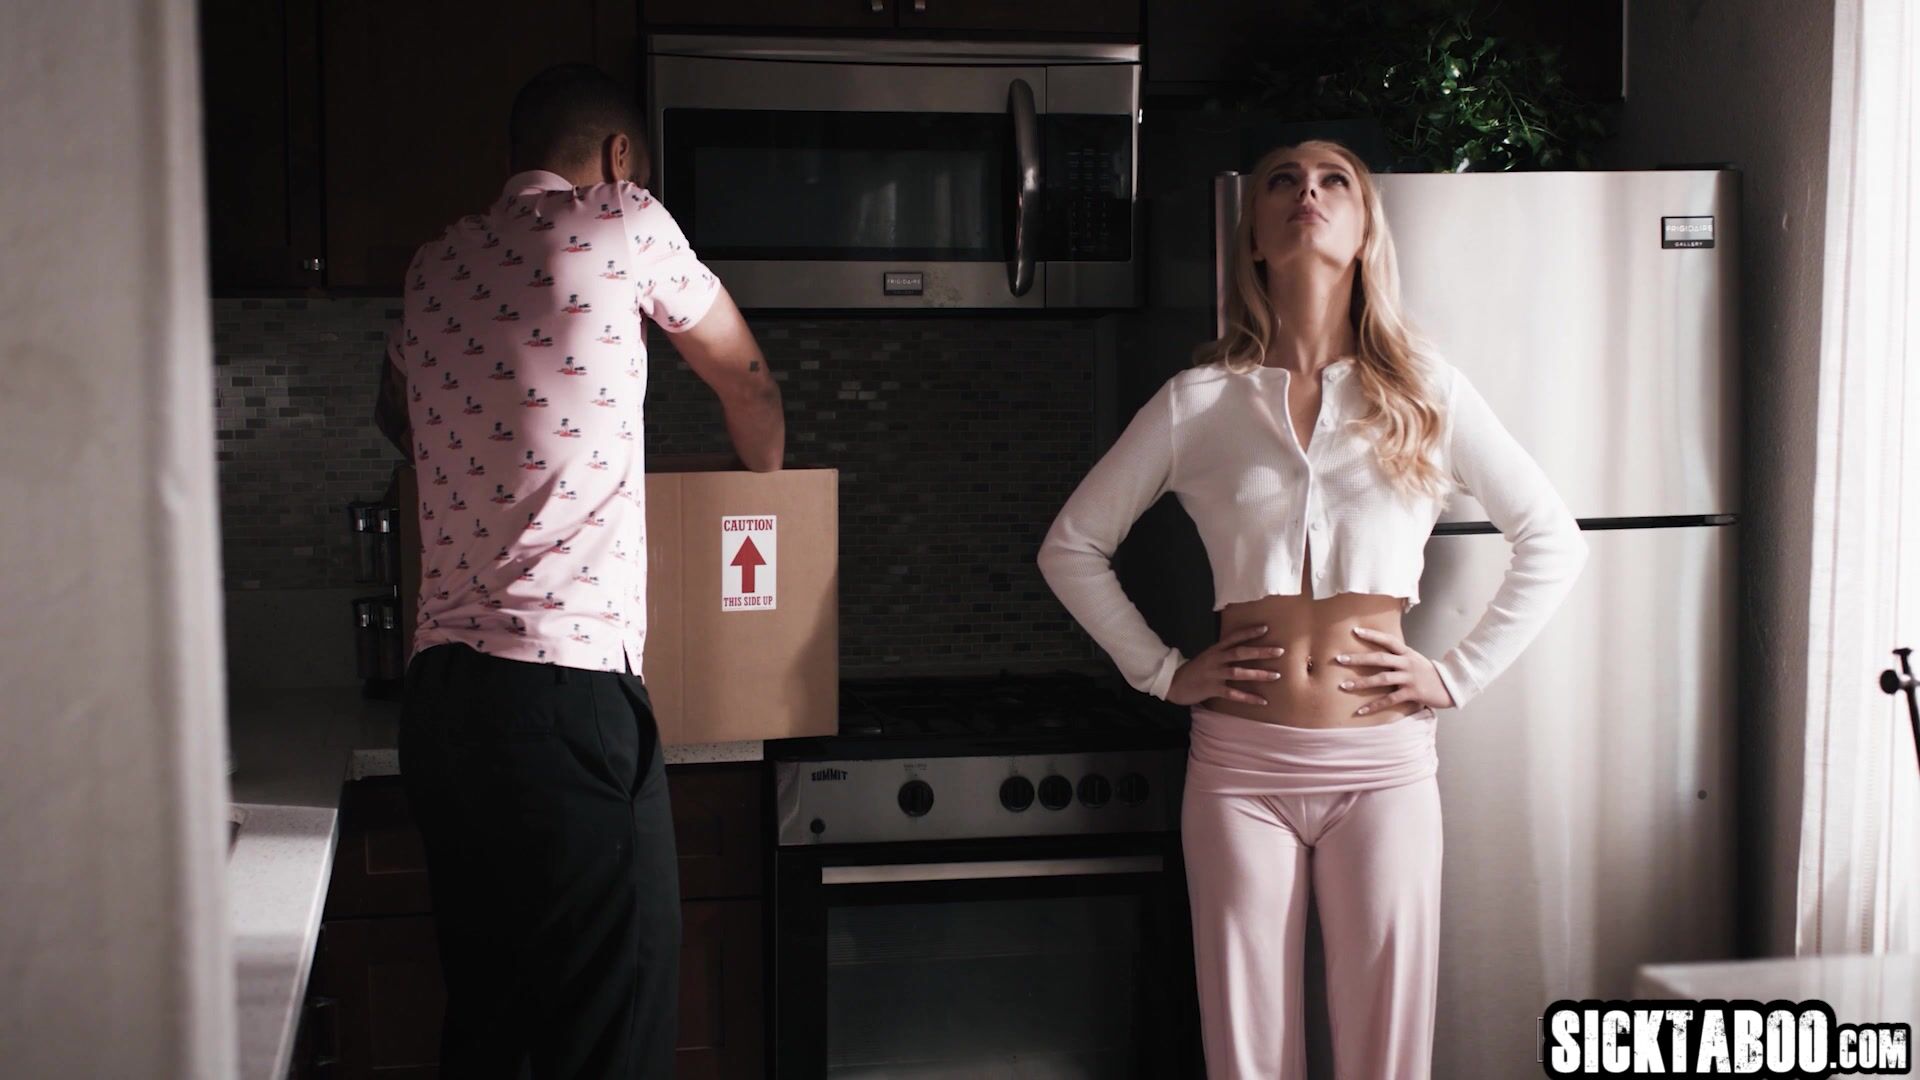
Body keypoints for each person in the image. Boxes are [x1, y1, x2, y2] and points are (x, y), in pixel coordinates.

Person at [1036, 140, 1588, 1078]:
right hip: (1237, 770)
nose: (1308, 192)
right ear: (1253, 236)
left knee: (1386, 1057)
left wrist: (1457, 674)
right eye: (1284, 182)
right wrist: (1162, 672)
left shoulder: (1424, 392)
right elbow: (1070, 547)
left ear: (1366, 230)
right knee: (1246, 1057)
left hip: (1384, 768)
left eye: (1335, 181)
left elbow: (1553, 539)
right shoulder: (1199, 402)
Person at [373, 63, 784, 1078]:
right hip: (564, 698)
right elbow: (744, 376)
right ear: (617, 156)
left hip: (442, 707)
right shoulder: (623, 218)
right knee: (612, 1032)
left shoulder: (434, 264)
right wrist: (771, 483)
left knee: (493, 1029)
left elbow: (393, 415)